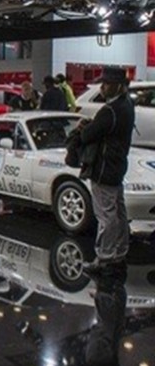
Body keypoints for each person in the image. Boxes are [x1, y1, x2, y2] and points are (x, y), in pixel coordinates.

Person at [79, 67, 134, 274]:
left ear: (118, 86)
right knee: (118, 211)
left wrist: (85, 127)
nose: (102, 87)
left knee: (106, 215)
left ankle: (105, 257)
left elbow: (87, 135)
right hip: (118, 166)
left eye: (106, 84)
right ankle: (119, 252)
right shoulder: (128, 105)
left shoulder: (109, 111)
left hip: (103, 168)